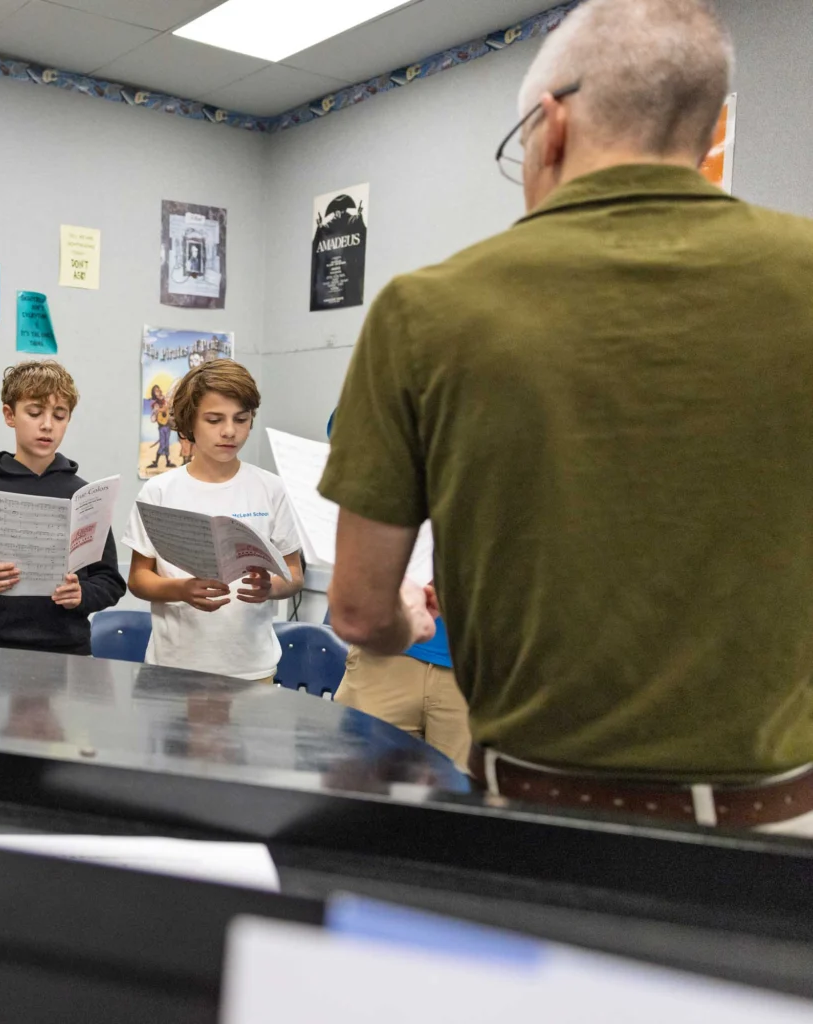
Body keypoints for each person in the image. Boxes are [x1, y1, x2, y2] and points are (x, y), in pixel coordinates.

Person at [320, 0, 813, 832]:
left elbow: (360, 612)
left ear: (550, 127)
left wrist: (416, 617)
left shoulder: (427, 310)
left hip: (543, 817)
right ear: (707, 129)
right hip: (782, 818)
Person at [125, 360, 305, 683]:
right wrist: (181, 589)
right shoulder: (159, 491)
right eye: (214, 419)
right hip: (175, 666)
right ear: (189, 423)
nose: (229, 431)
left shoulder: (270, 488)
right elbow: (138, 579)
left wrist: (270, 587)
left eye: (241, 419)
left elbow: (294, 576)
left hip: (252, 668)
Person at [0, 360, 126, 656]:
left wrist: (82, 594)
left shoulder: (83, 496)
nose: (47, 425)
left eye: (59, 415)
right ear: (9, 415)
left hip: (69, 652)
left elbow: (110, 581)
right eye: (34, 412)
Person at [323, 416, 470, 771]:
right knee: (359, 791)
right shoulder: (397, 380)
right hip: (387, 652)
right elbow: (351, 435)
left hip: (475, 666)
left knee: (465, 807)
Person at [147, 383, 173, 470]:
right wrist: (160, 409)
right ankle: (156, 462)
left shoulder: (165, 400)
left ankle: (167, 462)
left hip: (167, 425)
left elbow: (168, 407)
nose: (158, 392)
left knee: (166, 444)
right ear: (154, 393)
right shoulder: (155, 403)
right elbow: (156, 412)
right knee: (162, 444)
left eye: (158, 390)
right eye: (156, 391)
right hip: (162, 426)